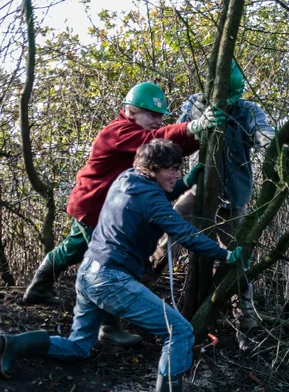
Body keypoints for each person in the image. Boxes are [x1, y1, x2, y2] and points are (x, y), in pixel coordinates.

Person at [1, 139, 247, 392]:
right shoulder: (152, 198)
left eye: (180, 169)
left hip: (88, 273)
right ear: (153, 169)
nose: (177, 174)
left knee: (79, 347)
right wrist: (225, 254)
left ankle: (12, 345)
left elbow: (154, 200)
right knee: (179, 331)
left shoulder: (126, 179)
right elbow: (184, 232)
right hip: (110, 280)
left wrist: (184, 183)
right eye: (173, 169)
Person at [22, 82, 225, 347]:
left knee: (73, 248)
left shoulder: (143, 136)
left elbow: (165, 148)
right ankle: (109, 326)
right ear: (130, 112)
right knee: (111, 260)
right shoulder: (117, 131)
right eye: (151, 115)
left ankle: (39, 289)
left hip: (107, 208)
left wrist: (197, 136)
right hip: (94, 206)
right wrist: (190, 126)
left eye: (160, 117)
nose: (157, 121)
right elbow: (150, 141)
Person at [150, 61, 275, 332]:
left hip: (233, 197)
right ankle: (138, 293)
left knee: (236, 260)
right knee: (166, 242)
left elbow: (263, 132)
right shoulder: (196, 103)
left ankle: (245, 323)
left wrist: (277, 144)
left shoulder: (248, 110)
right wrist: (198, 125)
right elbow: (177, 138)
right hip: (199, 191)